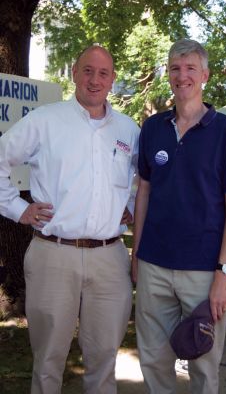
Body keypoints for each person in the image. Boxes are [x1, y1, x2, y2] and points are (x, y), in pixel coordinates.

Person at [0, 45, 139, 394]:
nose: (95, 80)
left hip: (110, 258)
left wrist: (133, 206)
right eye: (87, 71)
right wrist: (19, 209)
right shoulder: (45, 120)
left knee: (105, 358)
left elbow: (144, 178)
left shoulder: (128, 130)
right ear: (74, 73)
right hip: (53, 254)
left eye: (103, 73)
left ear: (112, 80)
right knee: (48, 360)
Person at [132, 38, 226, 394]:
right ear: (168, 74)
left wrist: (223, 274)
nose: (182, 76)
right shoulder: (152, 129)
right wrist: (136, 255)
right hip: (153, 265)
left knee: (203, 364)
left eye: (190, 69)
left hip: (203, 273)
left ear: (205, 76)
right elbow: (144, 194)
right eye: (174, 68)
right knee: (153, 360)